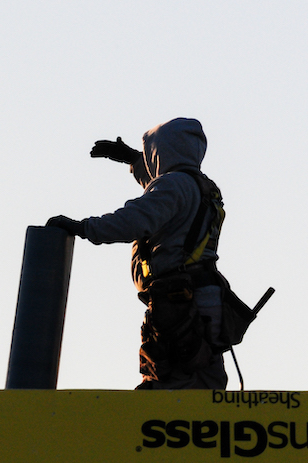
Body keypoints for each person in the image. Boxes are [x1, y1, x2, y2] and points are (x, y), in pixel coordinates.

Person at [47, 117, 229, 390]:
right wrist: (132, 158)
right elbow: (162, 187)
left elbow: (134, 219)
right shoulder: (201, 186)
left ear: (161, 152)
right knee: (202, 380)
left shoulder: (174, 185)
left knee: (170, 383)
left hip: (180, 303)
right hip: (203, 299)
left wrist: (83, 227)